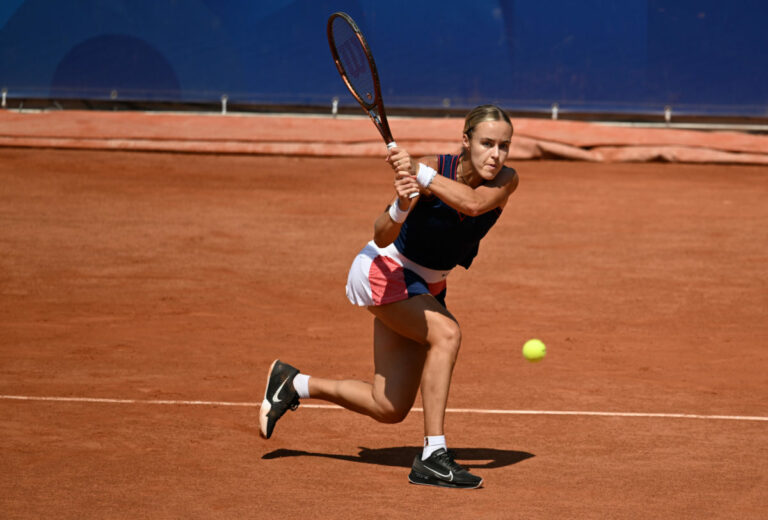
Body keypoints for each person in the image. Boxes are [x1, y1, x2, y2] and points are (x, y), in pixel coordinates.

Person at [259, 104, 519, 489]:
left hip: (426, 285)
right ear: (465, 142)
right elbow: (381, 235)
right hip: (384, 269)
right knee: (446, 334)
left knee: (389, 406)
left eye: (504, 146)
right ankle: (433, 455)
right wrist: (401, 205)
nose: (496, 155)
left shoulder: (505, 180)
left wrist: (420, 173)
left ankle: (294, 383)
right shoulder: (433, 167)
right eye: (486, 143)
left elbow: (473, 204)